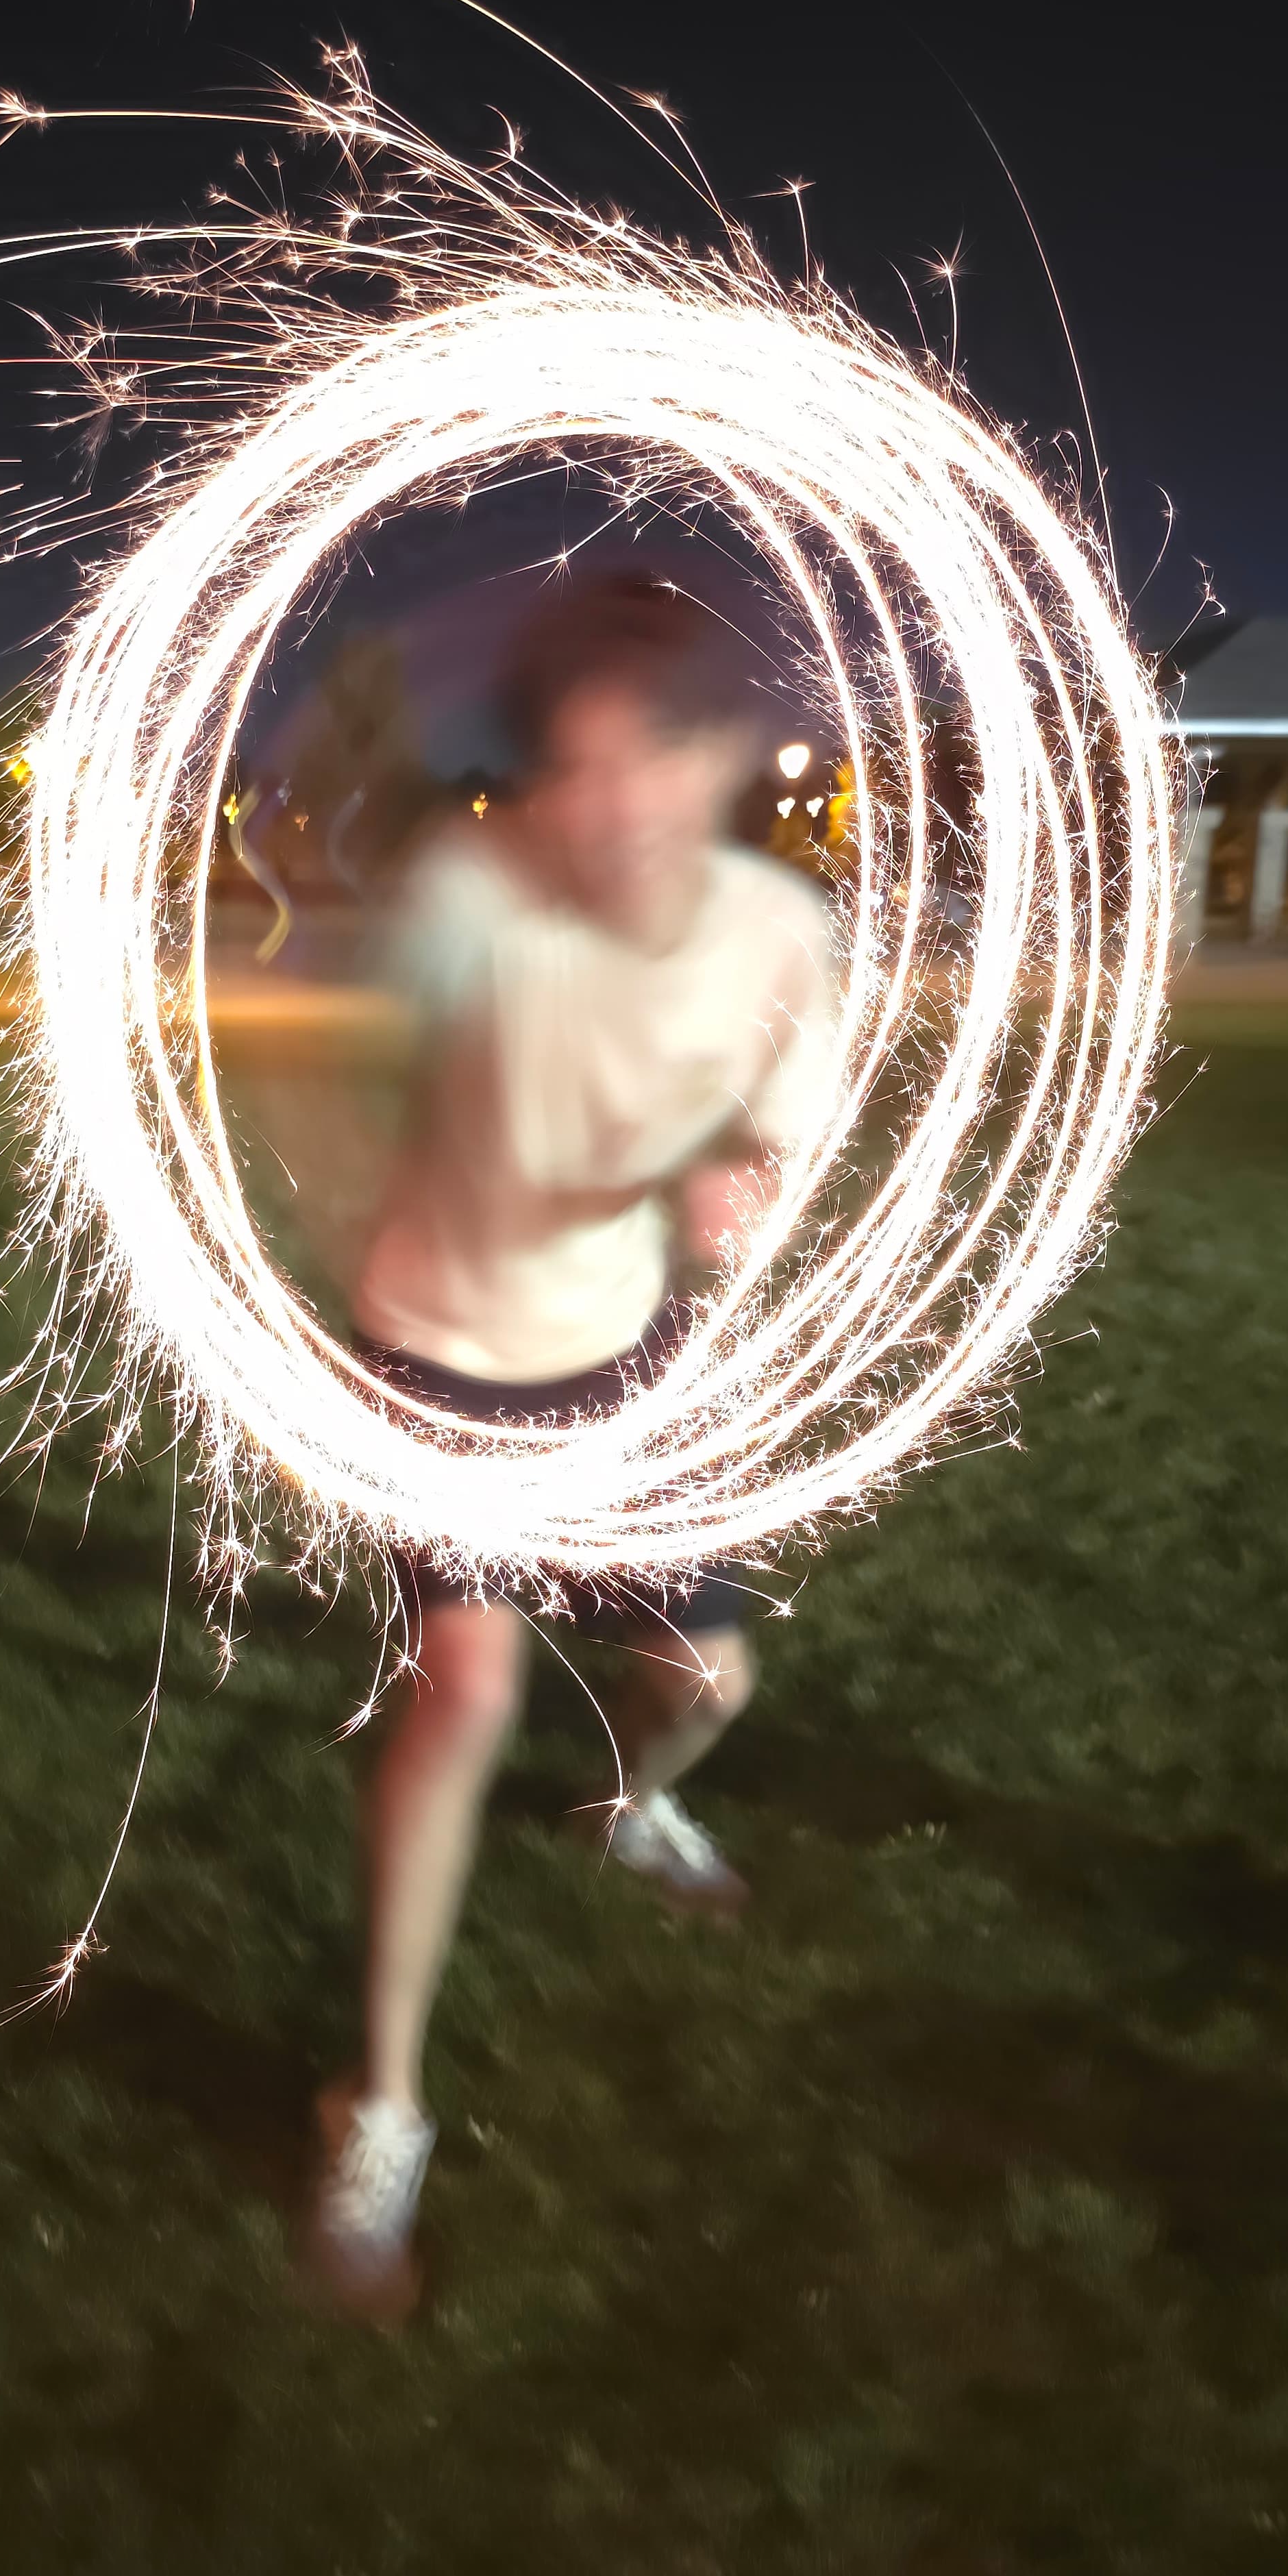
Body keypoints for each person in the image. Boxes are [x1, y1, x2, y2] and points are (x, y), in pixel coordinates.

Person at [308, 573, 835, 2318]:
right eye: (575, 772)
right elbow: (339, 1030)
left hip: (622, 1359)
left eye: (650, 759)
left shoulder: (778, 931)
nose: (614, 809)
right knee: (462, 1698)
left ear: (722, 757)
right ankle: (380, 2101)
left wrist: (737, 1178)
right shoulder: (474, 898)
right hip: (443, 1352)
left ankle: (633, 1808)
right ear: (534, 790)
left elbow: (784, 1128)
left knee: (710, 1681)